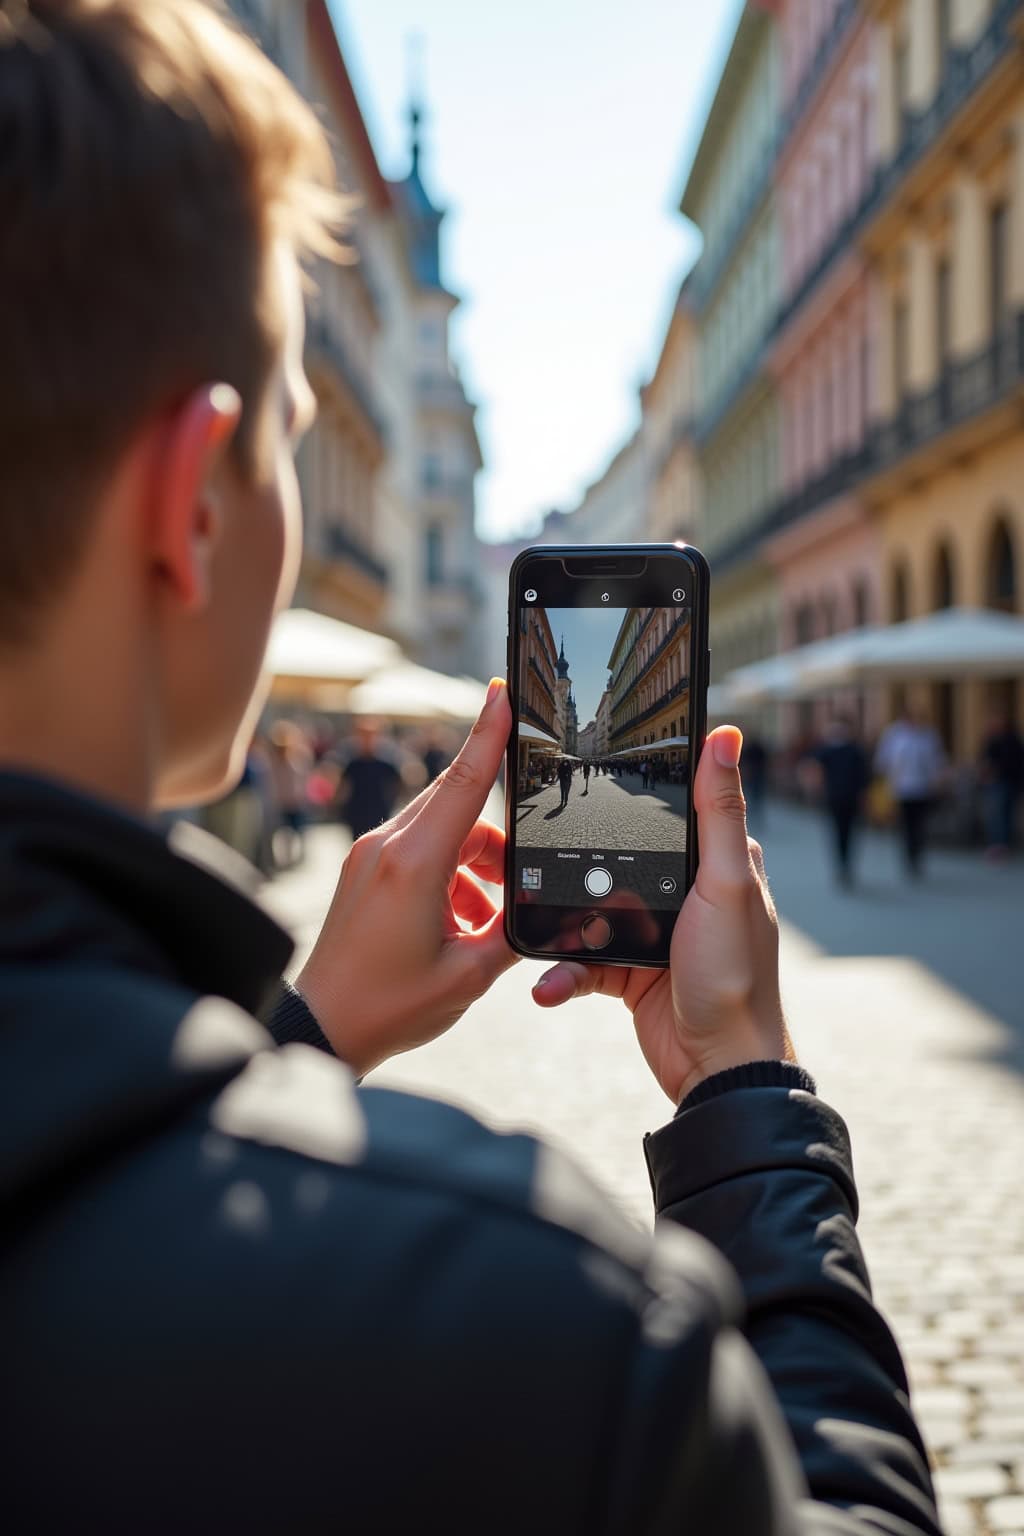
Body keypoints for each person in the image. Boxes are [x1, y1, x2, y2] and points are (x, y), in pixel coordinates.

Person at [0, 5, 941, 1533]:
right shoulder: (538, 1321)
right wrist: (749, 1096)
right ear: (193, 502)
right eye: (287, 441)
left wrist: (300, 1039)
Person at [875, 706, 946, 877]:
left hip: (923, 787)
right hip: (902, 788)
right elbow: (883, 761)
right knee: (907, 825)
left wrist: (937, 779)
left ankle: (917, 855)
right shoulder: (894, 735)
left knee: (920, 824)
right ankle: (908, 858)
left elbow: (936, 760)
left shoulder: (928, 735)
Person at [812, 717, 871, 886]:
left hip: (848, 797)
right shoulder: (829, 750)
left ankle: (845, 865)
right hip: (836, 797)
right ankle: (843, 866)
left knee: (847, 832)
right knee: (841, 831)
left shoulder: (854, 751)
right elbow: (814, 768)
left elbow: (864, 776)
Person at [335, 717, 403, 841]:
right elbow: (342, 786)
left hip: (378, 811)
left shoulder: (385, 764)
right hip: (357, 811)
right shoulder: (353, 764)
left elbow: (399, 783)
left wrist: (391, 802)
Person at [978, 710, 1024, 859]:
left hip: (1008, 781)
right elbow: (984, 757)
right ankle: (997, 844)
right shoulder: (992, 739)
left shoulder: (1011, 739)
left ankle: (1003, 845)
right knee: (997, 814)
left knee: (1004, 814)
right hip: (995, 783)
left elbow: (1015, 761)